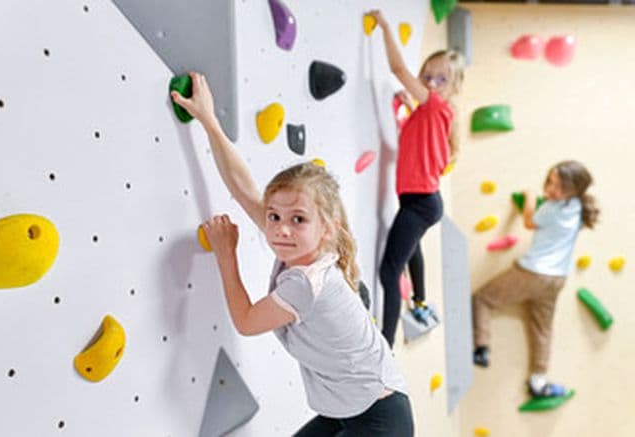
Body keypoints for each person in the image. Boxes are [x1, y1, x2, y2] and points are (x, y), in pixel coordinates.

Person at [171, 72, 413, 436]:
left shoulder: (305, 280)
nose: (281, 229)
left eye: (297, 219)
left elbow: (247, 321)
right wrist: (209, 121)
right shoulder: (307, 247)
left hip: (379, 418)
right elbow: (244, 189)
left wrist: (226, 252)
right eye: (274, 216)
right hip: (351, 408)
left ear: (325, 227)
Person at [366, 10, 465, 348]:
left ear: (454, 88)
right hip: (421, 200)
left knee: (387, 272)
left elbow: (396, 70)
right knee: (412, 249)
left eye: (441, 80)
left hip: (421, 202)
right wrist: (409, 106)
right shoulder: (431, 112)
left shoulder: (437, 106)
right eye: (428, 75)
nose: (430, 84)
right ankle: (420, 299)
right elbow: (412, 139)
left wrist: (385, 26)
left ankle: (385, 347)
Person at [472, 160, 599, 398]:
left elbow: (530, 222)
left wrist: (529, 197)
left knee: (483, 299)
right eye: (551, 181)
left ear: (573, 191)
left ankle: (481, 347)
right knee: (542, 329)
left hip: (533, 273)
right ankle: (538, 381)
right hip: (557, 279)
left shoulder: (551, 208)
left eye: (559, 186)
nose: (551, 189)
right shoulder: (578, 207)